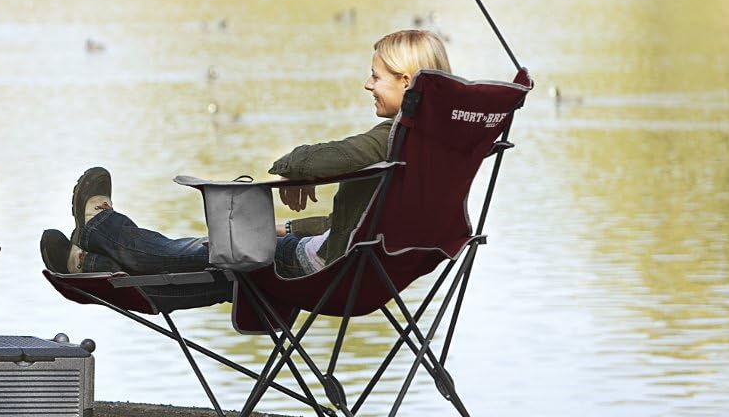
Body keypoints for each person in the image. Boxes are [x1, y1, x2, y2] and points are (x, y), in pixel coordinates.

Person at [40, 29, 451, 282]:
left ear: (407, 81)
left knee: (221, 254)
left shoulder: (395, 139)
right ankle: (92, 266)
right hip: (375, 267)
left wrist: (294, 170)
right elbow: (365, 223)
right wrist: (291, 229)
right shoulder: (443, 145)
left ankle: (103, 229)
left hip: (328, 269)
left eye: (376, 77)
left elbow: (327, 158)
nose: (367, 84)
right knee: (222, 270)